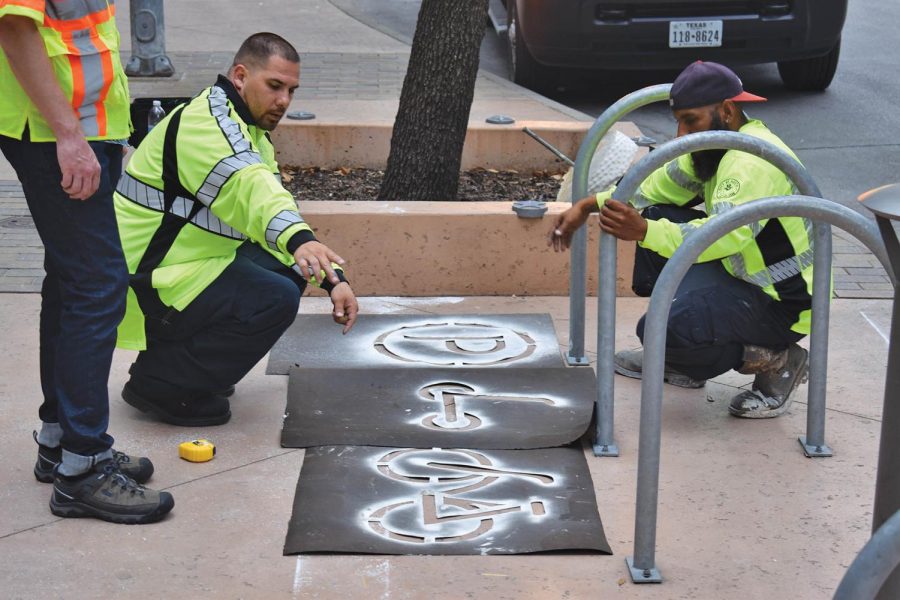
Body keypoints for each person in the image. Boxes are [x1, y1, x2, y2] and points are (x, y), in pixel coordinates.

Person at [114, 33, 359, 427]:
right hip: (149, 275)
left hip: (186, 259)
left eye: (292, 91)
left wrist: (332, 279)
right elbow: (251, 189)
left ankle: (185, 362)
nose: (284, 101)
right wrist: (301, 239)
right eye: (275, 86)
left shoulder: (242, 123)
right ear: (241, 76)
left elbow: (266, 207)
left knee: (290, 270)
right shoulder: (210, 126)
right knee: (273, 297)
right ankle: (163, 384)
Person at [550, 61, 817, 419]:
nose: (680, 134)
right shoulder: (714, 145)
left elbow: (720, 237)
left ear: (726, 110)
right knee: (661, 213)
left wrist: (644, 231)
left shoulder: (749, 163)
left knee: (662, 329)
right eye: (678, 120)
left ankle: (778, 361)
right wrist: (590, 205)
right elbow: (653, 188)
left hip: (784, 302)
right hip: (745, 277)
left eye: (690, 120)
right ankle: (681, 360)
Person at [0, 1, 172, 523]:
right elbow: (14, 28)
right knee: (98, 286)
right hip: (56, 132)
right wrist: (70, 138)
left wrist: (106, 135)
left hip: (77, 129)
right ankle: (83, 469)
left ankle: (61, 442)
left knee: (72, 279)